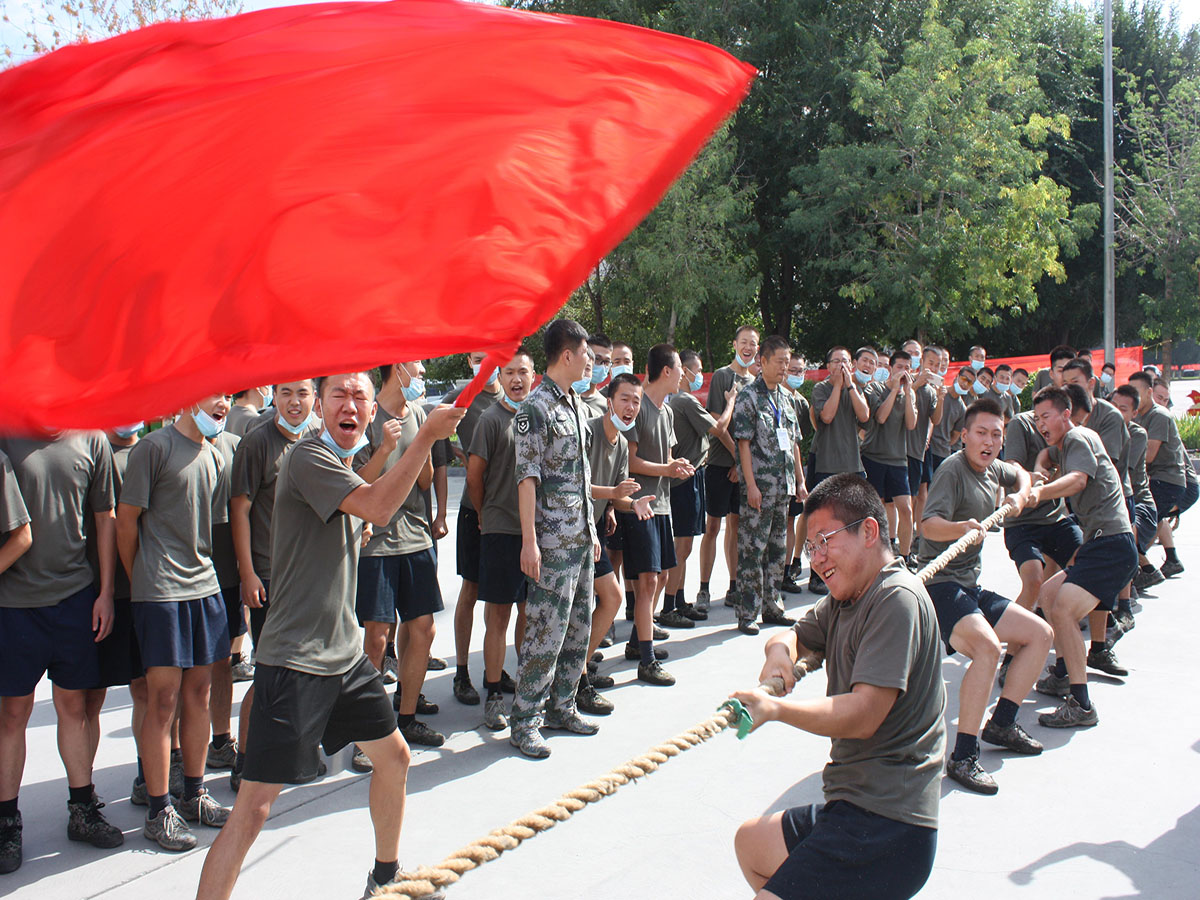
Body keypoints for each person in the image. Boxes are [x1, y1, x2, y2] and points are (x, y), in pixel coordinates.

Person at [194, 372, 463, 900]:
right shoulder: (306, 457)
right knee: (253, 811)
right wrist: (426, 438)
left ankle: (384, 877)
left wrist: (387, 454)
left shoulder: (339, 464)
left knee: (394, 759)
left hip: (343, 655)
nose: (350, 403)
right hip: (295, 662)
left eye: (359, 396)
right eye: (337, 394)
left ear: (370, 412)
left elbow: (365, 496)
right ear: (320, 406)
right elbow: (380, 507)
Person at [730, 474, 945, 900]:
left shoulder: (895, 599)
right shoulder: (849, 597)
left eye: (824, 541)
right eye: (811, 548)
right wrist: (778, 652)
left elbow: (864, 715)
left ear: (868, 531)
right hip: (852, 808)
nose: (816, 558)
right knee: (752, 844)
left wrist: (776, 710)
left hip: (889, 825)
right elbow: (794, 635)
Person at [917, 398, 1052, 794]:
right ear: (964, 436)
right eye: (981, 433)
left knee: (1040, 635)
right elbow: (928, 526)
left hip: (969, 586)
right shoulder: (951, 470)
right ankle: (962, 756)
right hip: (940, 585)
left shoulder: (995, 468)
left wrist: (1019, 494)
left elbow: (1024, 475)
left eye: (996, 434)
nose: (989, 441)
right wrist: (961, 528)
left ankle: (1003, 723)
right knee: (989, 650)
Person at [0, 433, 120, 874]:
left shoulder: (92, 438)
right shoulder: (6, 431)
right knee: (12, 713)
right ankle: (6, 822)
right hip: (13, 603)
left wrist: (105, 592)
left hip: (75, 596)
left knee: (74, 706)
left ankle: (82, 809)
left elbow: (104, 515)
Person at [117, 395, 234, 849]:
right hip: (160, 595)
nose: (223, 402)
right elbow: (126, 523)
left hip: (204, 590)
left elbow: (212, 526)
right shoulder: (154, 448)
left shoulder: (216, 454)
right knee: (162, 700)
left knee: (199, 695)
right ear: (188, 396)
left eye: (228, 393)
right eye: (215, 393)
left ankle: (195, 792)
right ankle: (159, 807)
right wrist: (142, 578)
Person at [511, 319, 602, 758]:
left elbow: (580, 477)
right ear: (567, 355)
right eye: (586, 353)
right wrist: (529, 541)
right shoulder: (536, 409)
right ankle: (525, 720)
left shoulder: (578, 405)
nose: (590, 361)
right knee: (545, 633)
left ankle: (562, 706)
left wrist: (593, 530)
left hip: (580, 540)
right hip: (550, 544)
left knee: (577, 628)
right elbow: (527, 478)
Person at [227, 380, 319, 790]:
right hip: (268, 576)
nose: (294, 402)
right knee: (269, 673)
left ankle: (296, 750)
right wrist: (247, 573)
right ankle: (244, 759)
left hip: (308, 573)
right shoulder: (257, 442)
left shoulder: (318, 438)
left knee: (306, 668)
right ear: (274, 396)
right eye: (285, 393)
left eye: (302, 393)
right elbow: (240, 510)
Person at [1029, 386, 1138, 728]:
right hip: (1097, 544)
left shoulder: (1079, 439)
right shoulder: (1066, 445)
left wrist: (1036, 493)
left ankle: (1082, 704)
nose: (1041, 424)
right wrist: (1037, 466)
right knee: (1048, 594)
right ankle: (1063, 672)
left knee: (1062, 608)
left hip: (1112, 545)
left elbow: (1077, 481)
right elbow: (1049, 455)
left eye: (1046, 416)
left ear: (1066, 414)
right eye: (1036, 419)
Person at [354, 362, 444, 750]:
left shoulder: (419, 414)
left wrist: (423, 439)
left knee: (423, 628)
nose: (422, 373)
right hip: (374, 541)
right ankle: (368, 732)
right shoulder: (366, 416)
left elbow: (423, 482)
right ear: (397, 369)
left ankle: (406, 716)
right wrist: (387, 448)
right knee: (376, 638)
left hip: (415, 537)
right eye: (416, 367)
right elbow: (358, 483)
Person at [467, 349, 535, 732]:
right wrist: (485, 513)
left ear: (533, 374)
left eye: (523, 372)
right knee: (499, 614)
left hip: (536, 533)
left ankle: (524, 683)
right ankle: (493, 692)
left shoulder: (538, 417)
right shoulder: (491, 420)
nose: (516, 379)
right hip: (499, 530)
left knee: (529, 611)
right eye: (509, 373)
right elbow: (475, 476)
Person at [580, 372, 655, 715]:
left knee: (610, 598)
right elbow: (575, 485)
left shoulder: (622, 444)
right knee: (579, 608)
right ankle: (573, 679)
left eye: (636, 401)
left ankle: (577, 672)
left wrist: (627, 505)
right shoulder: (588, 432)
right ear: (609, 401)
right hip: (569, 530)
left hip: (592, 529)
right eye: (624, 399)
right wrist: (612, 496)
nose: (630, 407)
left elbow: (618, 492)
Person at [623, 344, 695, 681]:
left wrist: (675, 466)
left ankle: (639, 642)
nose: (685, 374)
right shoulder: (637, 408)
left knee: (663, 576)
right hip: (640, 505)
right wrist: (666, 471)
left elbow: (666, 458)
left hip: (663, 503)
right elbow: (630, 462)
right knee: (648, 580)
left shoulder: (667, 411)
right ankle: (646, 661)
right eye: (681, 367)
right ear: (666, 370)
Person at [731, 335, 806, 635]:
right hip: (759, 487)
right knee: (752, 548)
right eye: (780, 362)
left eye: (788, 362)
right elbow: (743, 444)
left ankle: (772, 606)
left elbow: (795, 443)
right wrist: (750, 485)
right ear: (762, 362)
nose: (785, 368)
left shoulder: (786, 399)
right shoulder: (748, 397)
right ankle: (747, 612)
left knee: (777, 548)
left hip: (783, 487)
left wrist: (799, 480)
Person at [442, 352, 503, 707]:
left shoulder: (516, 396)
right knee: (471, 589)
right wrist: (460, 456)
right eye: (480, 357)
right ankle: (462, 671)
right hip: (473, 510)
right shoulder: (462, 397)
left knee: (502, 600)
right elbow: (430, 427)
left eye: (493, 356)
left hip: (508, 514)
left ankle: (494, 671)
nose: (488, 363)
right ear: (469, 360)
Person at [665, 349, 735, 620]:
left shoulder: (679, 401)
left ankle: (679, 600)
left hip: (690, 477)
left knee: (685, 546)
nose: (698, 377)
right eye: (696, 370)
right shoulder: (685, 401)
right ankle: (670, 604)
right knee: (682, 547)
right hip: (685, 479)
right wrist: (730, 402)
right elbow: (719, 427)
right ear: (684, 370)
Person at [698, 325, 759, 613]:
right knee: (713, 526)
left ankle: (734, 585)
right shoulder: (723, 375)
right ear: (734, 344)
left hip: (743, 469)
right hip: (720, 464)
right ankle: (703, 588)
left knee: (737, 526)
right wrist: (735, 456)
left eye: (753, 343)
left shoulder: (757, 382)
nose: (748, 347)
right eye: (743, 342)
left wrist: (742, 464)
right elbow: (714, 422)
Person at [808, 346, 870, 593]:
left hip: (853, 464)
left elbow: (864, 415)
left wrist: (850, 385)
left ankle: (849, 568)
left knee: (852, 521)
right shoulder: (821, 388)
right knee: (823, 523)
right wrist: (836, 386)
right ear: (828, 365)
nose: (842, 366)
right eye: (837, 361)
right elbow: (827, 416)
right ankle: (816, 573)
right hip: (826, 464)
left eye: (846, 361)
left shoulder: (856, 388)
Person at [1128, 371, 1189, 580]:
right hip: (1153, 480)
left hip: (1166, 481)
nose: (1132, 397)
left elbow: (1149, 455)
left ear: (1149, 392)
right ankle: (1148, 567)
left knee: (1134, 525)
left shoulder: (1159, 415)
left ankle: (1141, 570)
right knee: (1139, 523)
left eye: (1137, 392)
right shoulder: (1141, 416)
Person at [862, 350, 918, 562]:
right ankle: (873, 555)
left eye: (907, 368)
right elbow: (882, 417)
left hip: (898, 460)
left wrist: (908, 391)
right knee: (873, 509)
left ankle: (905, 555)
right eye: (899, 367)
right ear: (890, 368)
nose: (903, 372)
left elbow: (911, 424)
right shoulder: (876, 388)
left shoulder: (910, 393)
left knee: (906, 508)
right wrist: (894, 390)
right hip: (874, 456)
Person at [1110, 384, 1158, 633]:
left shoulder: (1136, 434)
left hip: (1137, 499)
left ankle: (1125, 603)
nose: (1117, 412)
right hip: (1109, 497)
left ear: (1134, 413)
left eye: (1124, 409)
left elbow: (1119, 470)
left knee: (1126, 537)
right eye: (1114, 406)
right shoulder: (1101, 428)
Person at [905, 342, 946, 559]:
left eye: (938, 364)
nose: (935, 367)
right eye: (931, 362)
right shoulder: (908, 381)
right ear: (921, 362)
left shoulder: (932, 390)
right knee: (907, 498)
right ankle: (906, 540)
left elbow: (935, 419)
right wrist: (914, 385)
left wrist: (940, 398)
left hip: (922, 450)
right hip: (905, 449)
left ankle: (919, 538)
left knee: (922, 494)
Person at [929, 366, 970, 474]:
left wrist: (944, 443)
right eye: (964, 379)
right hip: (927, 447)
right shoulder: (938, 392)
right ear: (957, 377)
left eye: (969, 382)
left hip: (943, 453)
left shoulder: (962, 409)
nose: (965, 384)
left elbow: (955, 436)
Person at [579, 333, 614, 417]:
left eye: (606, 362)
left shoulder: (606, 406)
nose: (602, 365)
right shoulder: (565, 397)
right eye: (597, 359)